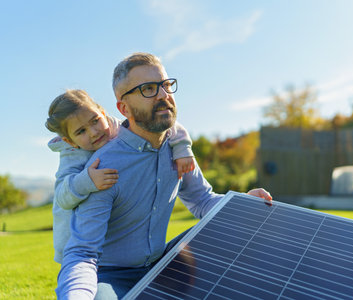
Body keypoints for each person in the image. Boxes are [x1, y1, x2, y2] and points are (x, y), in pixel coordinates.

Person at [56, 52, 272, 299]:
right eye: (148, 88)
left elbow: (203, 201)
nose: (163, 95)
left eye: (166, 85)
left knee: (232, 231)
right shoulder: (102, 167)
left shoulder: (177, 149)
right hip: (112, 275)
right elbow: (83, 252)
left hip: (163, 265)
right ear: (123, 108)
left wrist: (241, 204)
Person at [45, 89, 195, 264]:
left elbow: (169, 126)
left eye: (95, 121)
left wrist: (182, 148)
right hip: (75, 241)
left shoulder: (118, 128)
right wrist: (86, 181)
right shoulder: (71, 156)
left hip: (115, 235)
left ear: (103, 113)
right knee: (84, 269)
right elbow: (63, 197)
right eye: (81, 132)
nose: (93, 132)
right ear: (70, 141)